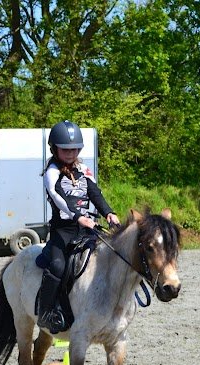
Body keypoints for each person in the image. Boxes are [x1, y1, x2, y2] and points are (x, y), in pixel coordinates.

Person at [36, 120, 121, 333]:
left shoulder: (83, 169)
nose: (71, 153)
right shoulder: (52, 171)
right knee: (57, 266)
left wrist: (108, 212)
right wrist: (77, 217)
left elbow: (95, 193)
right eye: (65, 149)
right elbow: (58, 197)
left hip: (87, 229)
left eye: (74, 149)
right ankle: (46, 312)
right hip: (63, 232)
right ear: (54, 149)